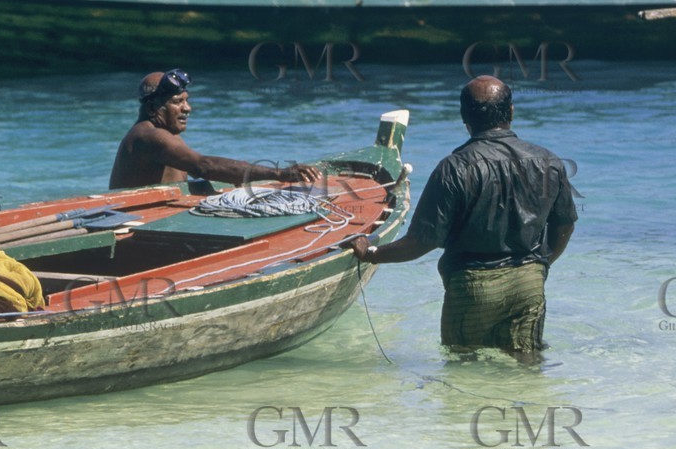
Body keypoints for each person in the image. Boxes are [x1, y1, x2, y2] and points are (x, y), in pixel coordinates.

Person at [350, 76, 577, 362]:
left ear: (463, 117)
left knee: (465, 370)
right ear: (511, 112)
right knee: (527, 370)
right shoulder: (548, 162)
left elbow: (421, 241)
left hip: (472, 289)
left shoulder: (454, 168)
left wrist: (370, 252)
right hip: (528, 283)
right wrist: (540, 265)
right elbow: (565, 224)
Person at [108, 68, 323, 190]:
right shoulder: (149, 137)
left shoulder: (163, 137)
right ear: (154, 107)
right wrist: (279, 173)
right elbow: (204, 165)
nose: (187, 108)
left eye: (187, 100)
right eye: (177, 102)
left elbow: (199, 170)